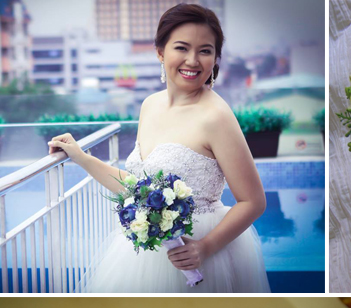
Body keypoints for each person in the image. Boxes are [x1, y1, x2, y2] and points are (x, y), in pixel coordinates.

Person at [47, 4, 270, 292]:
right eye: (182, 48)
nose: (193, 60)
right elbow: (137, 187)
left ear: (215, 58)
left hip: (201, 250)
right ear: (160, 52)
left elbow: (253, 201)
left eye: (205, 50)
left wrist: (204, 247)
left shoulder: (216, 116)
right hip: (149, 252)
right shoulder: (149, 105)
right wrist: (80, 156)